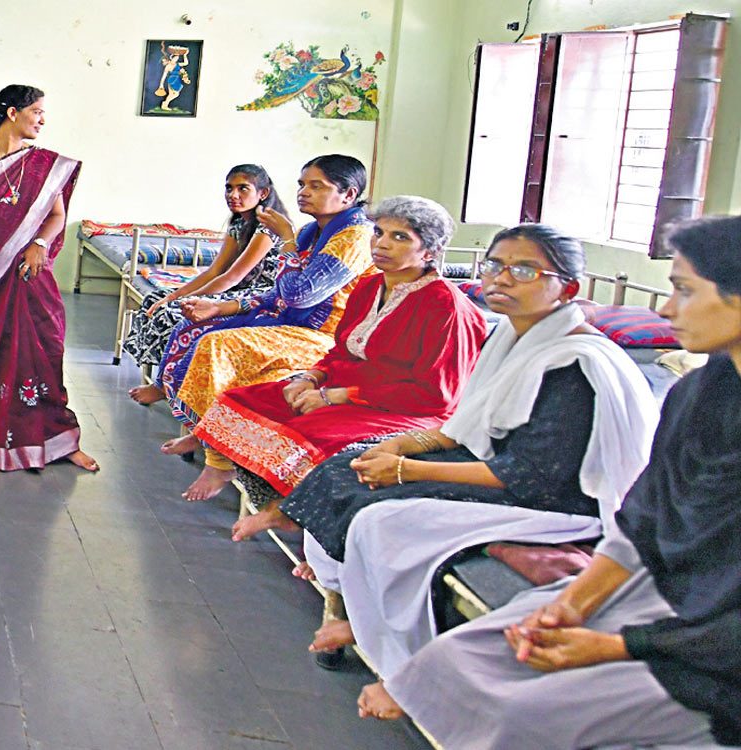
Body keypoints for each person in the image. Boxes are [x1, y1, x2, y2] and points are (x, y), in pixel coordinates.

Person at [365, 214, 741, 749]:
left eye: (684, 290)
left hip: (713, 637)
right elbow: (644, 516)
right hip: (663, 587)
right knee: (469, 652)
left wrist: (615, 646)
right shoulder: (699, 393)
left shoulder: (576, 359)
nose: (665, 309)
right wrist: (573, 605)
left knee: (526, 714)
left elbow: (535, 474)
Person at [272, 224, 658, 680]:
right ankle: (336, 588)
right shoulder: (511, 338)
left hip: (557, 500)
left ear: (567, 288)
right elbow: (470, 424)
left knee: (381, 516)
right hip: (504, 468)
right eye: (495, 265)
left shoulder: (573, 364)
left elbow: (532, 476)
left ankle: (392, 648)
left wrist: (406, 471)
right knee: (352, 460)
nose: (502, 278)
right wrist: (401, 445)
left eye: (525, 270)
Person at [195, 196, 485, 521]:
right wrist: (309, 378)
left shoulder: (446, 307)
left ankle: (301, 522)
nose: (382, 244)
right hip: (341, 390)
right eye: (379, 232)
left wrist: (337, 397)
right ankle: (241, 483)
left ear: (429, 252)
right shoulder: (369, 286)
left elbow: (437, 396)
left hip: (407, 408)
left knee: (308, 435)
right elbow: (340, 351)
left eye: (400, 237)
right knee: (239, 401)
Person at [158, 154, 377, 500]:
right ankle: (206, 433)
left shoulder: (353, 237)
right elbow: (277, 292)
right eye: (302, 184)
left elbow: (301, 295)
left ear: (348, 195)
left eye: (316, 186)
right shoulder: (313, 231)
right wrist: (221, 306)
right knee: (201, 330)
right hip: (292, 322)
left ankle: (220, 460)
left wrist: (287, 240)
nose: (303, 192)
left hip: (325, 336)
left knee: (219, 346)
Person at [0, 85, 97, 472]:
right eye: (37, 112)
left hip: (30, 277)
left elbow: (56, 217)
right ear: (12, 113)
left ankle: (57, 440)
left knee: (45, 351)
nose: (43, 120)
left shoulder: (45, 165)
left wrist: (41, 244)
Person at [126, 164, 289, 401]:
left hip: (258, 294)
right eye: (229, 188)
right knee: (157, 299)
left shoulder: (267, 229)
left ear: (262, 193)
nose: (233, 195)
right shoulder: (239, 224)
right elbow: (215, 270)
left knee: (174, 313)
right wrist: (173, 295)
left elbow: (232, 277)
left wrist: (189, 299)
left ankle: (167, 386)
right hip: (236, 288)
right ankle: (167, 380)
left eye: (243, 189)